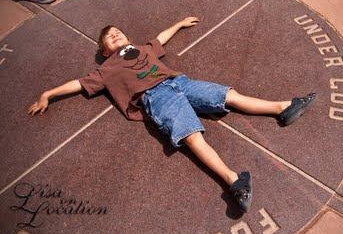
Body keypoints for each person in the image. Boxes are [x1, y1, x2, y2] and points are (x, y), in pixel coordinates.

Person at [28, 17, 316, 213]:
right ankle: (233, 181)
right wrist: (47, 95)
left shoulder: (140, 48)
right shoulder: (105, 70)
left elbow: (159, 39)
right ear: (105, 51)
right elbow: (77, 84)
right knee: (191, 137)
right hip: (156, 97)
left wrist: (178, 24)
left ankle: (283, 107)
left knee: (229, 95)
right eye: (110, 37)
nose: (116, 35)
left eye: (119, 32)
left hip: (181, 82)